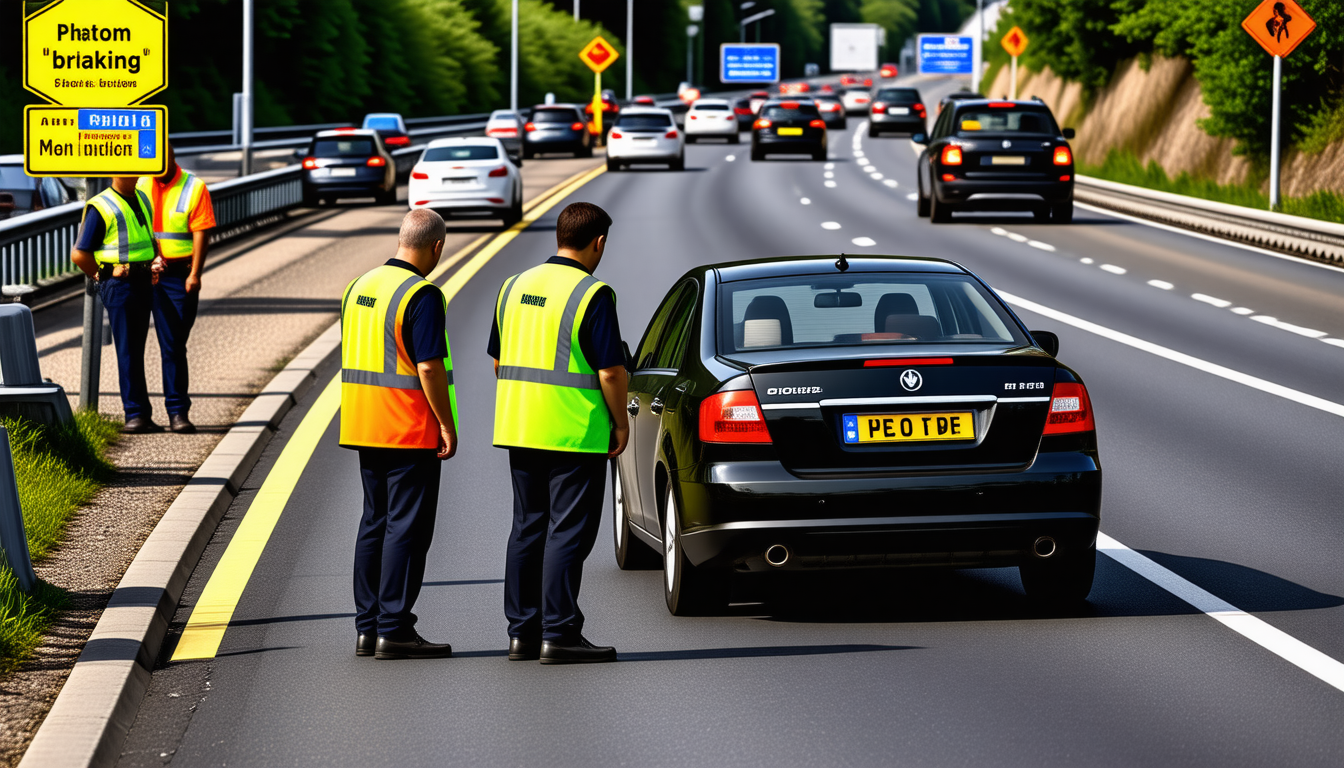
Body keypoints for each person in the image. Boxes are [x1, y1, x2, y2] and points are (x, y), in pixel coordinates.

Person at [489, 202, 628, 665]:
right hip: (573, 432)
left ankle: (522, 634)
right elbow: (611, 372)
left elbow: (498, 359)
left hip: (520, 426)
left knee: (527, 529)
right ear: (599, 242)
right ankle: (561, 633)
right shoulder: (592, 293)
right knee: (567, 534)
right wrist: (621, 423)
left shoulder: (513, 286)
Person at [339, 208, 459, 661]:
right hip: (407, 426)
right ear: (436, 247)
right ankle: (395, 628)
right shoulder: (422, 294)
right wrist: (445, 423)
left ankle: (367, 627)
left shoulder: (359, 286)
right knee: (406, 529)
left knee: (374, 522)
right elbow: (428, 365)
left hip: (364, 423)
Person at [70, 177, 168, 434]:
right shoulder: (101, 205)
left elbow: (148, 238)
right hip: (121, 285)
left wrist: (155, 259)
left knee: (135, 349)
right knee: (128, 349)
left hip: (143, 280)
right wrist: (102, 274)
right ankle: (134, 415)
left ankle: (141, 414)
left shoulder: (142, 197)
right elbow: (79, 254)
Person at [137, 145, 216, 434]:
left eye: (162, 159)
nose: (156, 164)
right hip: (141, 272)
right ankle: (137, 415)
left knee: (172, 345)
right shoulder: (139, 182)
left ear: (171, 158)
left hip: (177, 276)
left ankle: (177, 412)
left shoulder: (194, 187)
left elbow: (201, 232)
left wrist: (195, 273)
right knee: (131, 346)